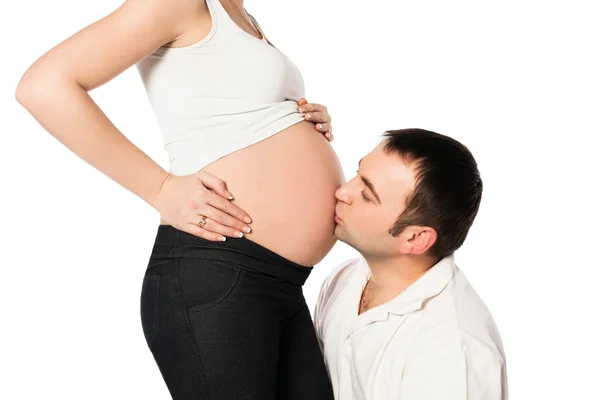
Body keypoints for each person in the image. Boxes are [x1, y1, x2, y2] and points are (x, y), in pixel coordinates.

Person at [15, 0, 344, 398]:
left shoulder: (240, 14)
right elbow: (43, 86)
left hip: (280, 283)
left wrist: (296, 115)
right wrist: (160, 188)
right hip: (217, 271)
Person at [315, 129, 508, 399]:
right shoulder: (344, 278)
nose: (343, 191)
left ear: (415, 238)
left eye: (367, 195)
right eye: (356, 175)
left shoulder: (451, 352)